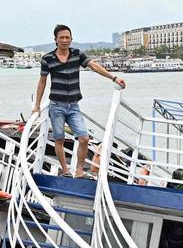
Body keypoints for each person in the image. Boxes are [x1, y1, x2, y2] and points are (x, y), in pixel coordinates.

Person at [32, 24, 125, 178]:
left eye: (67, 37)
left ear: (71, 39)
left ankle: (80, 171)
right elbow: (42, 82)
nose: (64, 40)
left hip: (73, 106)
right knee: (59, 139)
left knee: (84, 138)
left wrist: (114, 78)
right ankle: (66, 170)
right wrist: (37, 105)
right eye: (61, 37)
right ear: (55, 39)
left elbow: (94, 66)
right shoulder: (47, 58)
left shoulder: (77, 54)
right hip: (56, 105)